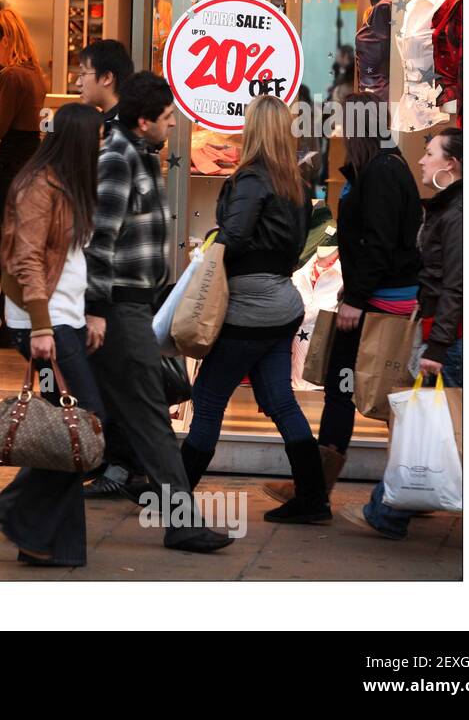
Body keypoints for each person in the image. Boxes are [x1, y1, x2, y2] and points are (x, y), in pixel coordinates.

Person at [84, 71, 233, 553]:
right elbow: (99, 240)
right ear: (144, 120)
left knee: (126, 408)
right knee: (151, 412)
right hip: (119, 308)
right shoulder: (117, 160)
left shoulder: (141, 156)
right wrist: (96, 310)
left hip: (133, 304)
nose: (173, 126)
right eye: (168, 119)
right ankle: (181, 520)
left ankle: (121, 477)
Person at [177, 96, 330, 523]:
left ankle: (173, 496)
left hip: (249, 309)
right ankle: (314, 499)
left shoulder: (251, 179)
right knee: (281, 401)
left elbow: (236, 235)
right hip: (282, 303)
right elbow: (297, 247)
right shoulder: (296, 184)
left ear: (254, 130)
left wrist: (212, 255)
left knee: (208, 400)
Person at [265, 93, 422, 503]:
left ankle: (318, 490)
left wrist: (355, 297)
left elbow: (380, 242)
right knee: (368, 390)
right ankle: (331, 487)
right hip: (379, 297)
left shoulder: (382, 172)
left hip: (379, 302)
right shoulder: (377, 168)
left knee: (350, 388)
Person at [0, 103, 104, 566]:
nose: (102, 145)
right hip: (44, 326)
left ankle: (43, 541)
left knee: (67, 426)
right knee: (87, 419)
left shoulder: (69, 184)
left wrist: (90, 314)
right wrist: (41, 326)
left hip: (64, 321)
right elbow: (27, 259)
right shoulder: (39, 186)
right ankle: (21, 515)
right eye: (97, 137)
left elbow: (75, 260)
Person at [344, 128, 462, 538]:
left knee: (431, 423)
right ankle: (397, 507)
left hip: (451, 339)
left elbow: (456, 286)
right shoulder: (447, 208)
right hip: (443, 334)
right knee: (432, 423)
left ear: (452, 165)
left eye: (430, 154)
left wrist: (439, 345)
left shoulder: (458, 214)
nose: (422, 160)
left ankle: (390, 511)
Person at [71, 39, 152, 499]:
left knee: (116, 376)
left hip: (115, 279)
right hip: (116, 277)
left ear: (107, 78)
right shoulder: (117, 127)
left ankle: (123, 464)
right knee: (117, 376)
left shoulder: (118, 133)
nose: (78, 81)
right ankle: (127, 464)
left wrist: (96, 300)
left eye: (84, 72)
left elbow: (107, 224)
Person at [0, 9, 48, 290]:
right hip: (30, 162)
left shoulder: (11, 75)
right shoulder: (35, 73)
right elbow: (22, 121)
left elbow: (1, 128)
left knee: (3, 240)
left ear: (5, 41)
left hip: (12, 166)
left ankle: (3, 316)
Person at [75, 38, 134, 136]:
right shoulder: (110, 122)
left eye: (83, 73)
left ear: (107, 78)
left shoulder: (119, 131)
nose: (78, 83)